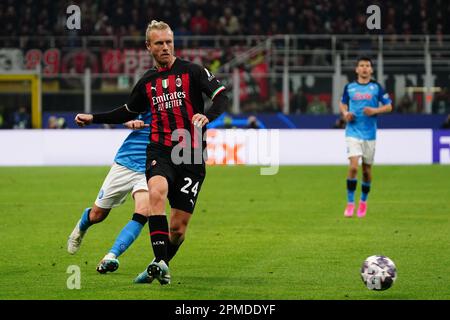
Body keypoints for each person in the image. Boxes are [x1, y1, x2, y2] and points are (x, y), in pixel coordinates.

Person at [74, 20, 228, 285]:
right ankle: (159, 261)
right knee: (156, 192)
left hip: (190, 154)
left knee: (178, 229)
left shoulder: (193, 71)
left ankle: (159, 264)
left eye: (169, 41)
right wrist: (93, 117)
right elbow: (127, 111)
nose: (165, 47)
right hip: (160, 149)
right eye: (159, 43)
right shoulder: (147, 81)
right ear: (149, 47)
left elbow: (221, 96)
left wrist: (207, 115)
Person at [67, 114, 151, 274]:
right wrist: (129, 120)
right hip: (126, 162)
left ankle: (111, 256)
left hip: (152, 167)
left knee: (143, 212)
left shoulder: (178, 104)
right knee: (97, 215)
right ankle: (81, 226)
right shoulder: (149, 93)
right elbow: (126, 111)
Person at [339, 56, 392, 218]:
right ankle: (350, 203)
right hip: (353, 132)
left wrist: (375, 111)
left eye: (367, 66)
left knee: (367, 171)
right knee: (354, 167)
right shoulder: (349, 87)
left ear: (371, 70)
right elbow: (342, 103)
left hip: (370, 134)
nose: (364, 68)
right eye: (361, 65)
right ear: (356, 69)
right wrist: (346, 113)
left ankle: (363, 201)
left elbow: (389, 106)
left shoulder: (376, 88)